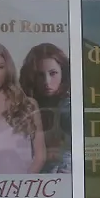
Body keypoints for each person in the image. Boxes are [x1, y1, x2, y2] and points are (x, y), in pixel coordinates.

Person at [0, 42, 46, 174]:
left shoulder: (28, 105)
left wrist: (24, 183)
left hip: (21, 184)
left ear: (8, 69)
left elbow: (40, 157)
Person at [19, 43, 72, 174]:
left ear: (63, 73)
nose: (47, 82)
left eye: (53, 73)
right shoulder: (26, 106)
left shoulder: (68, 106)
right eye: (40, 75)